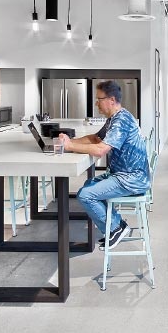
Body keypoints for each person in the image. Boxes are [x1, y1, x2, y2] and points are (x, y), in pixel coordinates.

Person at [58, 80, 150, 250]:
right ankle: (116, 224)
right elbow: (95, 138)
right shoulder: (113, 119)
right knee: (89, 184)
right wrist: (69, 143)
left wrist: (70, 146)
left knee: (86, 195)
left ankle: (116, 228)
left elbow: (101, 150)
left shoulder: (121, 120)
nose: (96, 103)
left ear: (111, 100)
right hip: (122, 174)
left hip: (131, 178)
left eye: (99, 99)